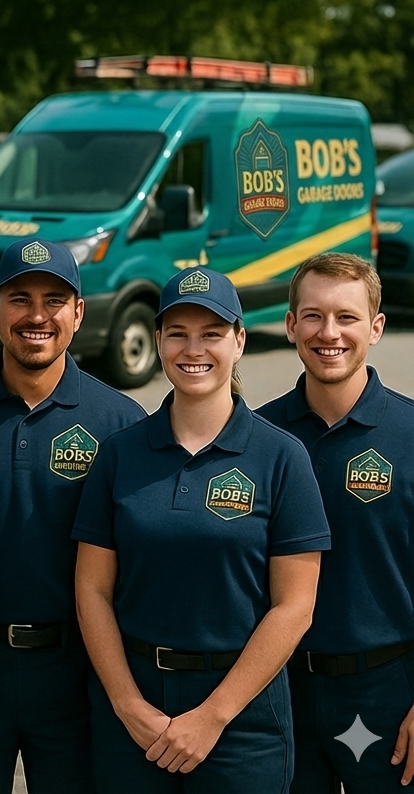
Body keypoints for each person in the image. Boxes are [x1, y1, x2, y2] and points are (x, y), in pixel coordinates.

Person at [73, 266, 331, 793]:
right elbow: (93, 589)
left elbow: (295, 607)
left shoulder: (282, 457)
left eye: (212, 333)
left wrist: (213, 716)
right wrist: (127, 704)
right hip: (135, 707)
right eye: (178, 334)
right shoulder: (121, 453)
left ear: (239, 341)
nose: (195, 349)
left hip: (242, 717)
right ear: (160, 341)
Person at [0, 239, 145, 794]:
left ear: (79, 313)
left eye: (54, 300)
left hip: (77, 670)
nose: (36, 316)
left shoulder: (123, 422)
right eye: (19, 299)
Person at [256, 253, 414, 792]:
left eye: (346, 317)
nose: (330, 333)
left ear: (375, 327)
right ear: (290, 324)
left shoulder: (411, 434)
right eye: (314, 316)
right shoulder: (256, 436)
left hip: (387, 692)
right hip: (279, 692)